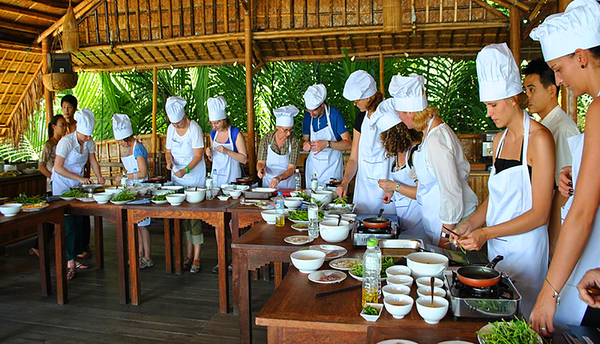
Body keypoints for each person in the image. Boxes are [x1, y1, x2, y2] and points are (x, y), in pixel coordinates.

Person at [453, 43, 554, 317]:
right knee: (498, 315)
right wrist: (471, 223)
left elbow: (540, 214)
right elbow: (495, 197)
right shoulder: (498, 141)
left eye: (493, 105)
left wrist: (486, 233)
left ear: (513, 98)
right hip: (498, 247)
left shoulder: (540, 140)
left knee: (523, 317)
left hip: (526, 250)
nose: (489, 113)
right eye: (487, 105)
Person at [528, 0, 600, 333]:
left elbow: (584, 211)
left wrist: (549, 291)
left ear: (581, 57)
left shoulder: (598, 109)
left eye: (559, 68)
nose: (559, 79)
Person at [389, 73, 478, 246]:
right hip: (438, 223)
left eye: (400, 113)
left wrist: (445, 236)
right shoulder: (428, 133)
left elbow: (451, 190)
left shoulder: (437, 139)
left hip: (453, 227)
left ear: (411, 112)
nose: (399, 118)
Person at [523, 58, 581, 258]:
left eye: (532, 89)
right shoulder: (545, 127)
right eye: (525, 91)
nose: (527, 97)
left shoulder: (562, 129)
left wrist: (554, 240)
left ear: (551, 90)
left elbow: (564, 191)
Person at [52, 109, 105, 280]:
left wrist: (99, 176)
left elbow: (93, 160)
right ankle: (69, 262)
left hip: (77, 187)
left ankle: (74, 257)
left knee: (78, 221)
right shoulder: (66, 142)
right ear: (77, 128)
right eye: (85, 135)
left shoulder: (89, 143)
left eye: (90, 135)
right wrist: (80, 178)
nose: (87, 138)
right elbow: (58, 167)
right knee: (68, 225)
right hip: (62, 186)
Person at [336, 70, 395, 215]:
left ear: (368, 97)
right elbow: (354, 158)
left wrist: (394, 187)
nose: (355, 104)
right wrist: (345, 182)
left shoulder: (389, 117)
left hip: (387, 187)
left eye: (357, 100)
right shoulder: (360, 119)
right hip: (364, 188)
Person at [165, 96, 206, 273]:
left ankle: (197, 257)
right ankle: (188, 254)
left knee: (195, 219)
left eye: (179, 123)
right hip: (177, 178)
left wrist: (186, 170)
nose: (176, 126)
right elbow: (168, 151)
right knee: (183, 219)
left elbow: (198, 155)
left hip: (194, 178)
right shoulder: (171, 129)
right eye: (173, 124)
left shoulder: (194, 128)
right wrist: (169, 161)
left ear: (184, 116)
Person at [374, 98, 425, 239]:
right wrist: (391, 192)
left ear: (395, 134)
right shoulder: (397, 154)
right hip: (406, 220)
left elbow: (422, 192)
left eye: (386, 136)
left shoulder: (415, 153)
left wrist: (394, 186)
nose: (384, 141)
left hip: (421, 222)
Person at [112, 114, 153, 269]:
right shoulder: (130, 148)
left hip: (141, 191)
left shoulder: (138, 148)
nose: (120, 144)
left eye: (120, 141)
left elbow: (142, 173)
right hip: (132, 190)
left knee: (143, 225)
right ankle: (139, 255)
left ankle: (147, 257)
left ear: (125, 138)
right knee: (136, 225)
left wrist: (124, 176)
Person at [30, 115, 67, 257]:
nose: (63, 127)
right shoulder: (49, 144)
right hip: (52, 186)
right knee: (51, 218)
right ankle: (37, 246)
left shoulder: (63, 142)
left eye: (64, 125)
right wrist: (53, 178)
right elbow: (41, 165)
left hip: (63, 184)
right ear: (53, 127)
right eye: (61, 125)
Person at [302, 84, 352, 187]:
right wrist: (306, 144)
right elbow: (305, 140)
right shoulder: (308, 116)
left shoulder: (334, 115)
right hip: (313, 169)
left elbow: (348, 144)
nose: (311, 114)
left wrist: (327, 144)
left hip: (332, 169)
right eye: (308, 110)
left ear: (322, 105)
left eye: (314, 110)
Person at [205, 96, 248, 187]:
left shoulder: (234, 133)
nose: (214, 127)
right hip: (216, 179)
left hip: (232, 179)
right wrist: (209, 155)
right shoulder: (213, 134)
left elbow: (244, 159)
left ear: (223, 120)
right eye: (212, 123)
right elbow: (214, 160)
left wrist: (227, 151)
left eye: (217, 123)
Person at [257, 105, 301, 189]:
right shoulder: (266, 139)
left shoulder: (294, 141)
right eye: (285, 130)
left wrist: (279, 178)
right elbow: (261, 162)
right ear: (277, 127)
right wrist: (260, 169)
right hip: (268, 184)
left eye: (291, 130)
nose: (288, 134)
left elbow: (291, 168)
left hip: (287, 185)